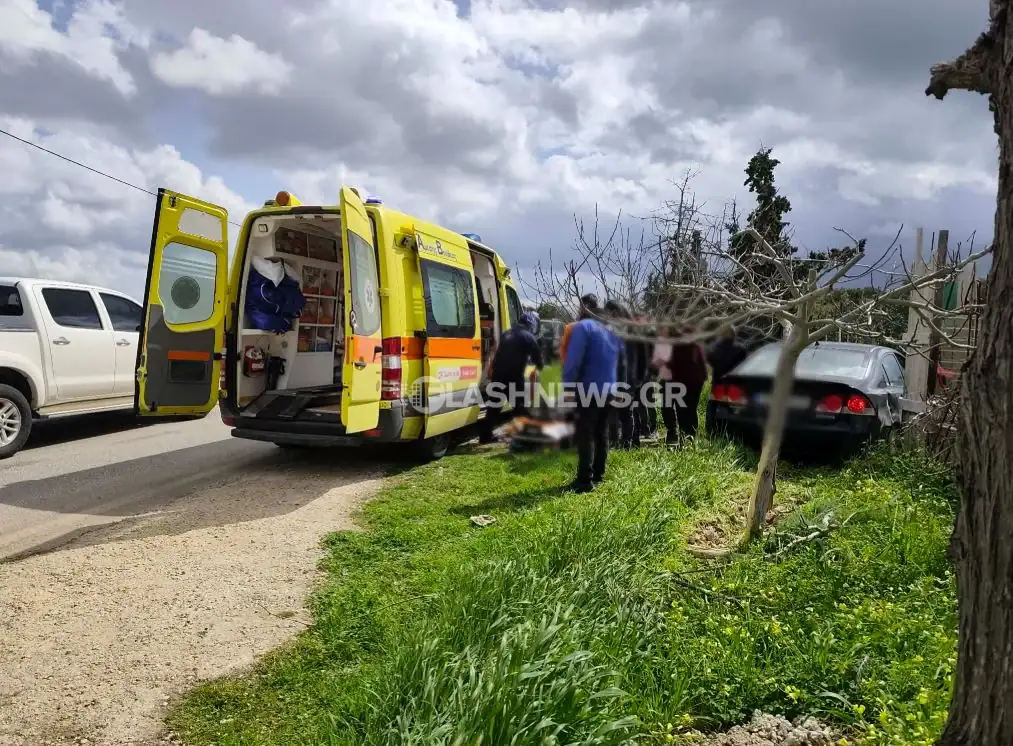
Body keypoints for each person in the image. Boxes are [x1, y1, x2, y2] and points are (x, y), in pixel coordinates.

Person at [562, 294, 619, 492]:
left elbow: (573, 360)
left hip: (588, 388)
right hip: (608, 388)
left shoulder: (583, 328)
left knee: (585, 433)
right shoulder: (610, 329)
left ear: (584, 308)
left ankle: (584, 480)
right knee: (601, 431)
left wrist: (567, 385)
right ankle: (599, 472)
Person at [479, 310, 544, 444]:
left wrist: (492, 369)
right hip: (514, 376)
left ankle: (485, 437)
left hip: (498, 374)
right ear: (531, 323)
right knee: (519, 406)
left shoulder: (506, 334)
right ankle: (524, 436)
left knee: (494, 407)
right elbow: (538, 358)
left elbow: (497, 353)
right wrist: (539, 367)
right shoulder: (528, 337)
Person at [661, 325, 708, 446]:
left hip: (682, 383)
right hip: (695, 383)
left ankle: (684, 439)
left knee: (682, 412)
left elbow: (672, 365)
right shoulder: (696, 346)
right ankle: (690, 439)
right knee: (691, 411)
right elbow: (702, 367)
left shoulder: (677, 346)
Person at [604, 300, 636, 448]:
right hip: (625, 377)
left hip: (621, 377)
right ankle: (623, 442)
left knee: (619, 412)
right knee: (623, 413)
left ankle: (620, 442)